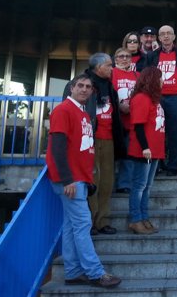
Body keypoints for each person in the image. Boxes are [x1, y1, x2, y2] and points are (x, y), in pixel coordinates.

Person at [45, 73, 121, 288]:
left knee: (71, 227)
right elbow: (57, 147)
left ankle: (72, 272)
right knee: (83, 224)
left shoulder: (83, 113)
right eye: (80, 85)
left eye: (88, 87)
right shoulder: (63, 110)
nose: (84, 89)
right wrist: (68, 179)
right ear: (71, 88)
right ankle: (95, 273)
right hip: (70, 180)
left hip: (79, 179)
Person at [65, 53, 122, 236]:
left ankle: (102, 221)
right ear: (98, 68)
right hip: (89, 139)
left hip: (109, 139)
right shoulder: (82, 84)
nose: (112, 68)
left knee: (107, 182)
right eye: (108, 65)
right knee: (92, 181)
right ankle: (89, 221)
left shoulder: (109, 86)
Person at [138, 25, 177, 176]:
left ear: (174, 37)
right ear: (159, 38)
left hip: (176, 98)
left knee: (175, 134)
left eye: (169, 34)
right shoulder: (152, 56)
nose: (166, 36)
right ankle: (157, 165)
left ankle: (173, 166)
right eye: (162, 34)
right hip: (157, 99)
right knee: (157, 133)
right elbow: (147, 76)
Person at [127, 67, 165, 235]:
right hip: (145, 150)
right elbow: (139, 125)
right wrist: (145, 147)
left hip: (155, 150)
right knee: (139, 186)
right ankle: (136, 219)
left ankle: (144, 217)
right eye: (160, 78)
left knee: (147, 187)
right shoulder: (142, 98)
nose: (162, 81)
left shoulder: (154, 99)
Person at [111, 48, 139, 194]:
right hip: (113, 121)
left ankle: (124, 184)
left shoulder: (137, 75)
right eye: (121, 56)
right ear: (115, 59)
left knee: (128, 155)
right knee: (110, 155)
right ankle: (108, 185)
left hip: (131, 121)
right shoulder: (111, 73)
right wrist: (119, 105)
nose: (125, 59)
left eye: (128, 56)